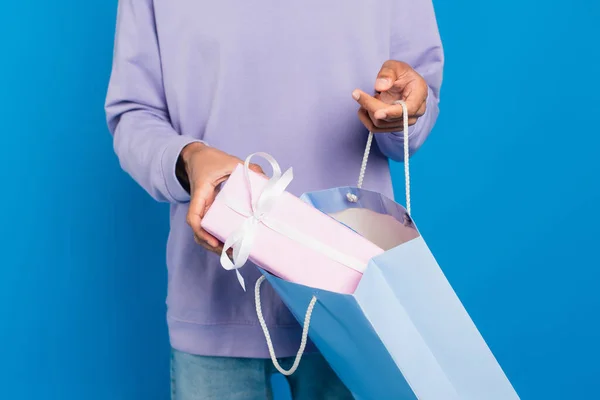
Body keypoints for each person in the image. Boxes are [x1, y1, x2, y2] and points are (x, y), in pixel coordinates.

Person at [104, 0, 443, 398]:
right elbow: (134, 113)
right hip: (214, 297)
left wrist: (403, 111)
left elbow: (415, 103)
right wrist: (188, 158)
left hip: (355, 298)